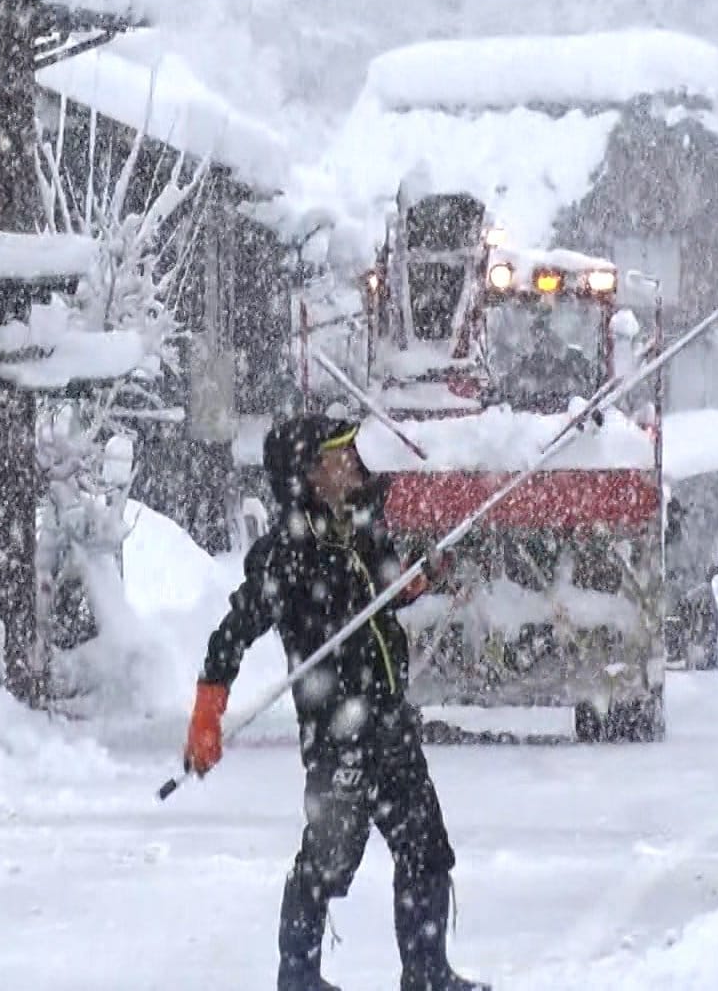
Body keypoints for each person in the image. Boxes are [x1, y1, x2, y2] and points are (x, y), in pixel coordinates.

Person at [182, 414, 488, 991]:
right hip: (336, 734)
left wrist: (418, 581)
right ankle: (298, 978)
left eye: (350, 451)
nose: (351, 463)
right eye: (336, 456)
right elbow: (231, 635)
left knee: (426, 849)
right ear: (304, 476)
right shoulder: (285, 558)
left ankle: (427, 972)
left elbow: (387, 592)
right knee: (328, 862)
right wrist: (207, 713)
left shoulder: (362, 530)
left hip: (390, 721)